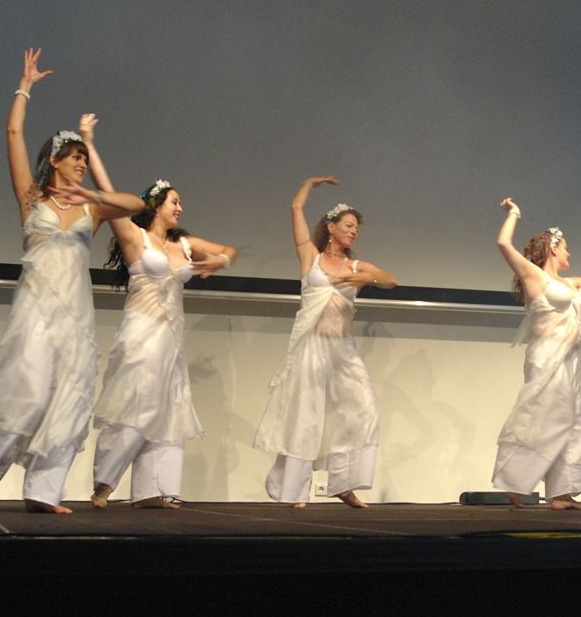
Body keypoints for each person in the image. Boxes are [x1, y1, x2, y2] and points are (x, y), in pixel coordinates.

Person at [0, 49, 144, 513]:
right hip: (35, 311)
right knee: (22, 393)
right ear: (55, 160)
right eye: (75, 157)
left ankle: (43, 492)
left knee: (68, 396)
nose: (80, 164)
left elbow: (137, 205)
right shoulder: (31, 198)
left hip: (74, 316)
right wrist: (25, 87)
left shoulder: (90, 209)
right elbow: (13, 134)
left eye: (84, 158)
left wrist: (91, 194)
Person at [88, 173, 236, 509]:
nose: (180, 208)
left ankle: (153, 490)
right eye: (175, 202)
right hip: (140, 333)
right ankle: (105, 482)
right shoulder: (134, 236)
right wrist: (91, 150)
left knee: (169, 409)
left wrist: (221, 260)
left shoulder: (184, 244)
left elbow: (230, 250)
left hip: (170, 338)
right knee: (138, 402)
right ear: (156, 205)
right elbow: (109, 194)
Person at [252, 176, 395, 508]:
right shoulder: (310, 259)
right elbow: (296, 207)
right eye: (348, 225)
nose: (353, 231)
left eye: (356, 228)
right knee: (307, 417)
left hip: (343, 352)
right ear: (331, 227)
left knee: (362, 412)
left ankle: (342, 483)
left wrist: (364, 277)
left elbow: (390, 280)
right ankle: (295, 491)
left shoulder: (356, 265)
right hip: (312, 349)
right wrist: (310, 183)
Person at [493, 198, 581, 510]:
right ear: (553, 248)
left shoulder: (570, 283)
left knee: (575, 419)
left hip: (572, 362)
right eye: (566, 247)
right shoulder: (534, 275)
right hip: (546, 358)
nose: (569, 253)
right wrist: (514, 213)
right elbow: (503, 243)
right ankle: (515, 480)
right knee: (545, 416)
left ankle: (561, 493)